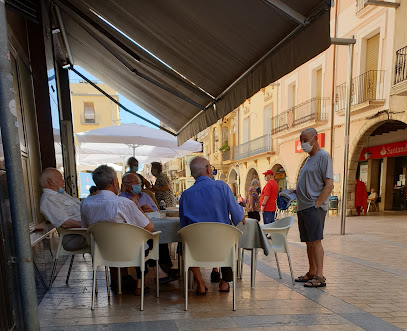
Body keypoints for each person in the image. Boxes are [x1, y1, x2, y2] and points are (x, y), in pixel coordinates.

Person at [81, 165, 164, 295]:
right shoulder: (123, 203)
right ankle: (140, 284)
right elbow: (149, 227)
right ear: (115, 182)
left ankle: (121, 280)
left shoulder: (85, 203)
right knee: (146, 240)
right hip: (128, 252)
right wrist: (138, 208)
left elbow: (86, 228)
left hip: (101, 252)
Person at [179, 157, 245, 295]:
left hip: (196, 250)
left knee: (184, 246)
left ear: (192, 174)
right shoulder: (222, 187)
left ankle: (200, 283)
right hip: (221, 247)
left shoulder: (185, 195)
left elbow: (183, 226)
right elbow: (237, 216)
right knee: (230, 242)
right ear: (209, 169)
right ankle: (224, 283)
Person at [294, 128, 333, 288]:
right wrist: (296, 191)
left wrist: (317, 204)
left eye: (305, 139)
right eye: (301, 140)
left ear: (315, 139)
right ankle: (311, 272)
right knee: (309, 242)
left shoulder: (323, 156)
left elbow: (329, 185)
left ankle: (319, 276)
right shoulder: (309, 159)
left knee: (316, 241)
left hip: (312, 207)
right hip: (303, 207)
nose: (302, 143)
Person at [119, 172, 176, 277]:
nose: (137, 184)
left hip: (150, 227)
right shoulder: (121, 198)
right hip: (133, 232)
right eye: (133, 182)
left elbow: (158, 213)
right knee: (148, 240)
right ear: (125, 185)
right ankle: (152, 272)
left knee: (160, 236)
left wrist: (150, 211)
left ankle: (165, 267)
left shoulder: (146, 196)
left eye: (138, 182)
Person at [40, 168, 88, 251]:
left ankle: (110, 262)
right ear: (50, 181)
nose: (63, 181)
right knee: (110, 236)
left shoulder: (60, 194)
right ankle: (110, 262)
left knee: (112, 233)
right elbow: (65, 223)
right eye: (60, 178)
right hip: (76, 237)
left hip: (85, 232)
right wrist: (90, 224)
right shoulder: (48, 199)